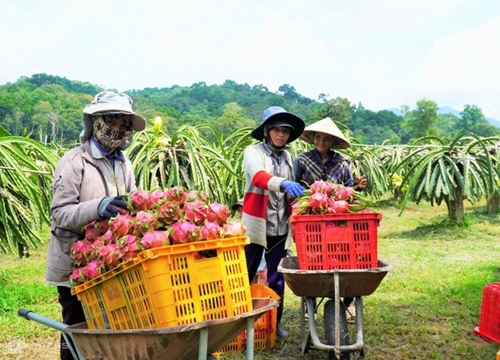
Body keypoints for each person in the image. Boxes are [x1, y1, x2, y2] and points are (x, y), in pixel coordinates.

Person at [44, 91, 146, 360]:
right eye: (111, 120)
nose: (118, 129)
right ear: (94, 122)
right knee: (77, 329)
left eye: (124, 124)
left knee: (109, 328)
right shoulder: (74, 161)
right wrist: (97, 207)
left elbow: (130, 203)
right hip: (75, 264)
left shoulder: (125, 164)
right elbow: (59, 214)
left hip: (109, 262)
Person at [293, 116, 366, 322]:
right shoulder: (302, 160)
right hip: (310, 219)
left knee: (347, 257)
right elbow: (295, 188)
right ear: (312, 139)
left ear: (333, 142)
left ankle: (347, 304)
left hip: (338, 218)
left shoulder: (343, 163)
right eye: (317, 137)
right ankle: (311, 305)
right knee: (312, 259)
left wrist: (358, 186)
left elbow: (350, 189)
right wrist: (312, 198)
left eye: (326, 139)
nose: (321, 142)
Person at [241, 106, 305, 338]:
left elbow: (291, 188)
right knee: (246, 273)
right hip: (257, 224)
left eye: (285, 132)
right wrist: (283, 183)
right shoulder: (253, 152)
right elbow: (258, 177)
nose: (281, 135)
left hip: (279, 226)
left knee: (277, 276)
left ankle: (274, 322)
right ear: (267, 131)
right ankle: (239, 324)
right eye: (276, 130)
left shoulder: (287, 156)